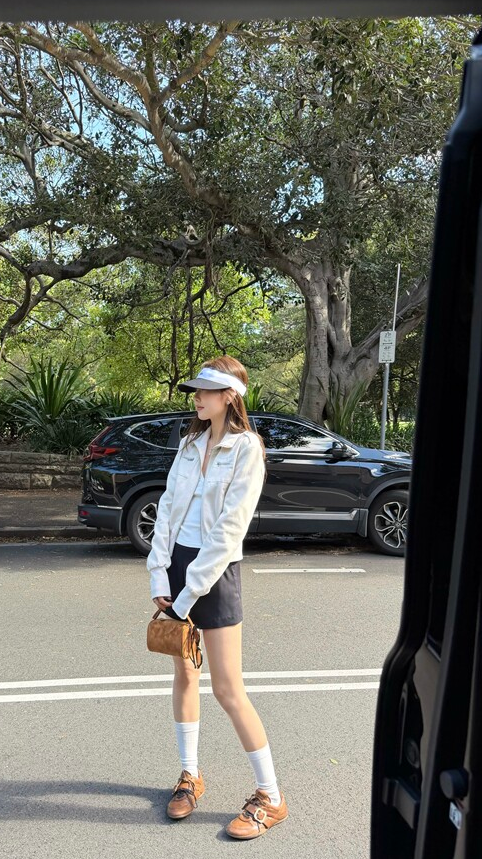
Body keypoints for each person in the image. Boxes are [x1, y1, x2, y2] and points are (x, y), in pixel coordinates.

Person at [146, 354, 288, 840]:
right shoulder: (189, 444)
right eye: (196, 391)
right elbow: (167, 508)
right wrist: (160, 577)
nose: (197, 398)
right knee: (185, 673)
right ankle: (190, 775)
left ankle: (271, 796)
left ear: (230, 395)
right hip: (177, 570)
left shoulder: (247, 449)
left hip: (215, 573)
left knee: (228, 688)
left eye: (205, 390)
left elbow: (230, 529)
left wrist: (188, 594)